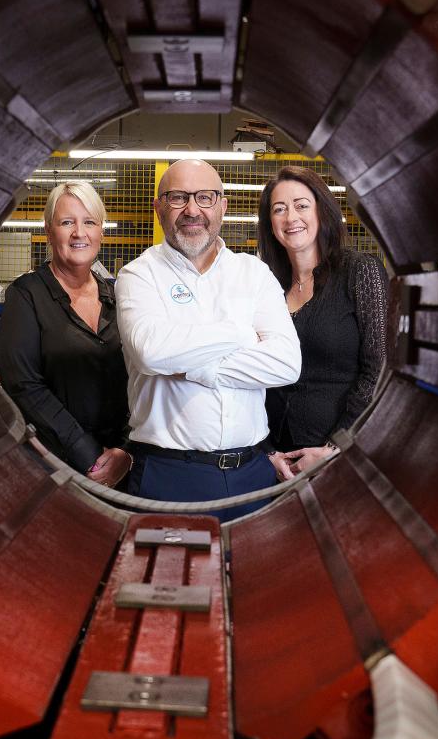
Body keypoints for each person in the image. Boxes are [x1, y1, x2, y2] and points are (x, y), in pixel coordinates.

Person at [116, 159, 301, 521]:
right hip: (168, 475)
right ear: (158, 208)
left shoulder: (254, 273)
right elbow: (152, 353)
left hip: (253, 474)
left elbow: (285, 364)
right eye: (177, 197)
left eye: (205, 197)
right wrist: (240, 332)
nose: (192, 209)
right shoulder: (138, 275)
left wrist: (192, 368)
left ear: (222, 206)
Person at [256, 165, 389, 480]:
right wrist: (267, 451)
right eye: (279, 209)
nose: (291, 217)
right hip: (272, 461)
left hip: (341, 458)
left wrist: (334, 448)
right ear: (270, 223)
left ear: (322, 211)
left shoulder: (360, 271)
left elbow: (379, 370)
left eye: (301, 205)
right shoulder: (264, 285)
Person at [0, 181, 132, 486]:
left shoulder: (117, 295)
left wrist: (126, 450)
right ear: (49, 230)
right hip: (53, 464)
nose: (79, 233)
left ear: (101, 232)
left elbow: (140, 376)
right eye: (67, 222)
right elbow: (23, 386)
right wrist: (88, 456)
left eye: (89, 222)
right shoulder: (26, 295)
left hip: (121, 463)